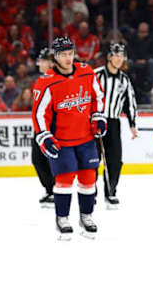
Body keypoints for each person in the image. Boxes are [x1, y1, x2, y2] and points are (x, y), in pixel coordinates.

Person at [32, 37, 106, 240]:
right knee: (64, 180)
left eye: (70, 53)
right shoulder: (46, 82)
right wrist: (44, 136)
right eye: (63, 55)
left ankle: (86, 216)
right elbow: (39, 113)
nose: (68, 58)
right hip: (62, 141)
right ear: (55, 57)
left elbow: (97, 97)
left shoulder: (87, 72)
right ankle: (62, 218)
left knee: (88, 178)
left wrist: (98, 116)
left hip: (85, 137)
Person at [94, 43, 138, 208]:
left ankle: (111, 192)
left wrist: (132, 124)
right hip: (95, 122)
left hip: (113, 123)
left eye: (122, 56)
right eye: (116, 55)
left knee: (115, 160)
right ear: (109, 57)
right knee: (93, 159)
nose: (119, 59)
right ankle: (90, 192)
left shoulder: (124, 80)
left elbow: (130, 103)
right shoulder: (96, 75)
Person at [31, 48, 56, 207]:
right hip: (40, 126)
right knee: (37, 158)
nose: (39, 63)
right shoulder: (41, 79)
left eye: (42, 60)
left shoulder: (58, 79)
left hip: (52, 125)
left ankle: (55, 189)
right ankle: (50, 189)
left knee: (50, 158)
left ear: (51, 62)